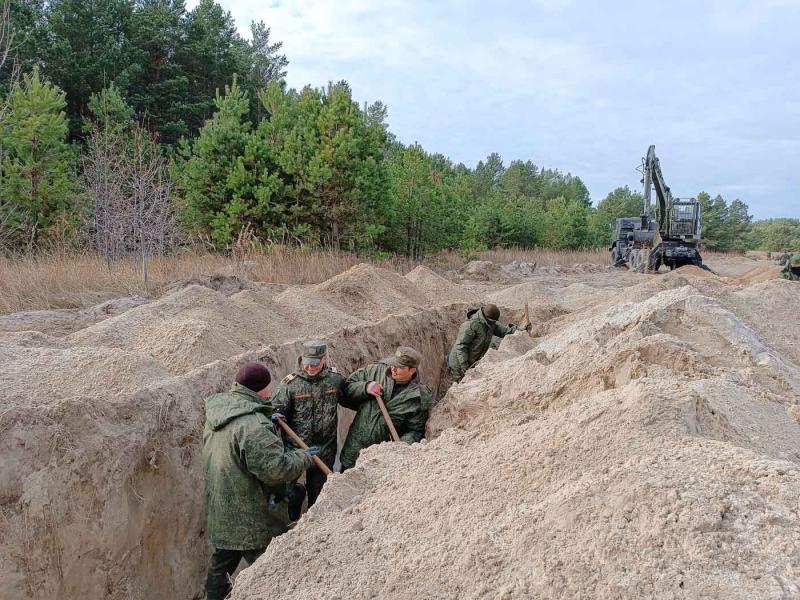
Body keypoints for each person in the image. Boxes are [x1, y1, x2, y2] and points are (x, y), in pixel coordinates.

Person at [202, 362, 319, 600]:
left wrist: (266, 416)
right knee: (273, 569)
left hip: (222, 509)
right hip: (251, 516)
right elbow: (276, 470)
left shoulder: (222, 410)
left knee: (221, 565)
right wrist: (303, 458)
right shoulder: (253, 426)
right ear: (261, 390)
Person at [269, 340, 347, 519]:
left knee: (319, 494)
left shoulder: (334, 380)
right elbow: (275, 409)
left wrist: (366, 389)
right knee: (285, 489)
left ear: (324, 359)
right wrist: (276, 415)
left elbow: (350, 397)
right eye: (307, 363)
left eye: (315, 364)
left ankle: (313, 525)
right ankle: (296, 498)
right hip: (295, 448)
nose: (310, 367)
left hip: (324, 448)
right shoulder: (290, 384)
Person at [339, 346, 432, 471]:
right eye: (393, 364)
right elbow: (346, 388)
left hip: (382, 462)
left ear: (412, 370)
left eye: (400, 367)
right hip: (354, 450)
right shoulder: (376, 371)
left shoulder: (418, 397)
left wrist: (399, 448)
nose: (393, 369)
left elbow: (415, 430)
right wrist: (365, 387)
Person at [447, 303, 528, 381]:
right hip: (458, 363)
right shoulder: (470, 325)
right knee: (461, 385)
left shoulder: (490, 323)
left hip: (471, 361)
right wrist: (464, 366)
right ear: (486, 317)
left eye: (494, 321)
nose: (494, 323)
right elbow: (461, 346)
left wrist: (521, 330)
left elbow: (504, 331)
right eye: (492, 321)